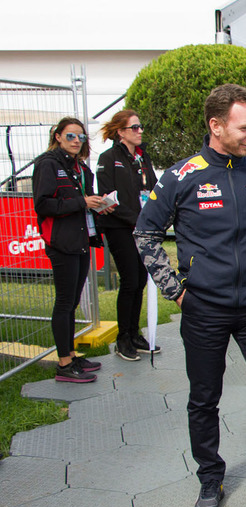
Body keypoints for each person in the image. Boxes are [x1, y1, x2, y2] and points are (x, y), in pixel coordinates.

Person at [134, 84, 246, 507]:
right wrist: (176, 289)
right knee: (204, 397)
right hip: (204, 306)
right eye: (244, 127)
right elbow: (146, 233)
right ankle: (211, 475)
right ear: (216, 125)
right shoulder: (181, 176)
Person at [33, 117, 108, 383]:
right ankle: (63, 363)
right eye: (70, 136)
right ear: (57, 136)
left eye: (81, 137)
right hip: (61, 243)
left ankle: (71, 355)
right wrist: (82, 202)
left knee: (73, 301)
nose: (77, 141)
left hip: (81, 240)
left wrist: (98, 205)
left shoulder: (79, 167)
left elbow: (82, 203)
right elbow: (43, 205)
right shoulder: (48, 164)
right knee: (64, 303)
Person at [97, 109, 161, 361]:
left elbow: (153, 187)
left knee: (140, 281)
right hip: (121, 228)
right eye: (134, 127)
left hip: (142, 228)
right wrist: (136, 220)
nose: (140, 131)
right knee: (130, 280)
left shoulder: (143, 158)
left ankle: (134, 334)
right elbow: (107, 196)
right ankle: (123, 338)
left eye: (140, 126)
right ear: (121, 132)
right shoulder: (108, 157)